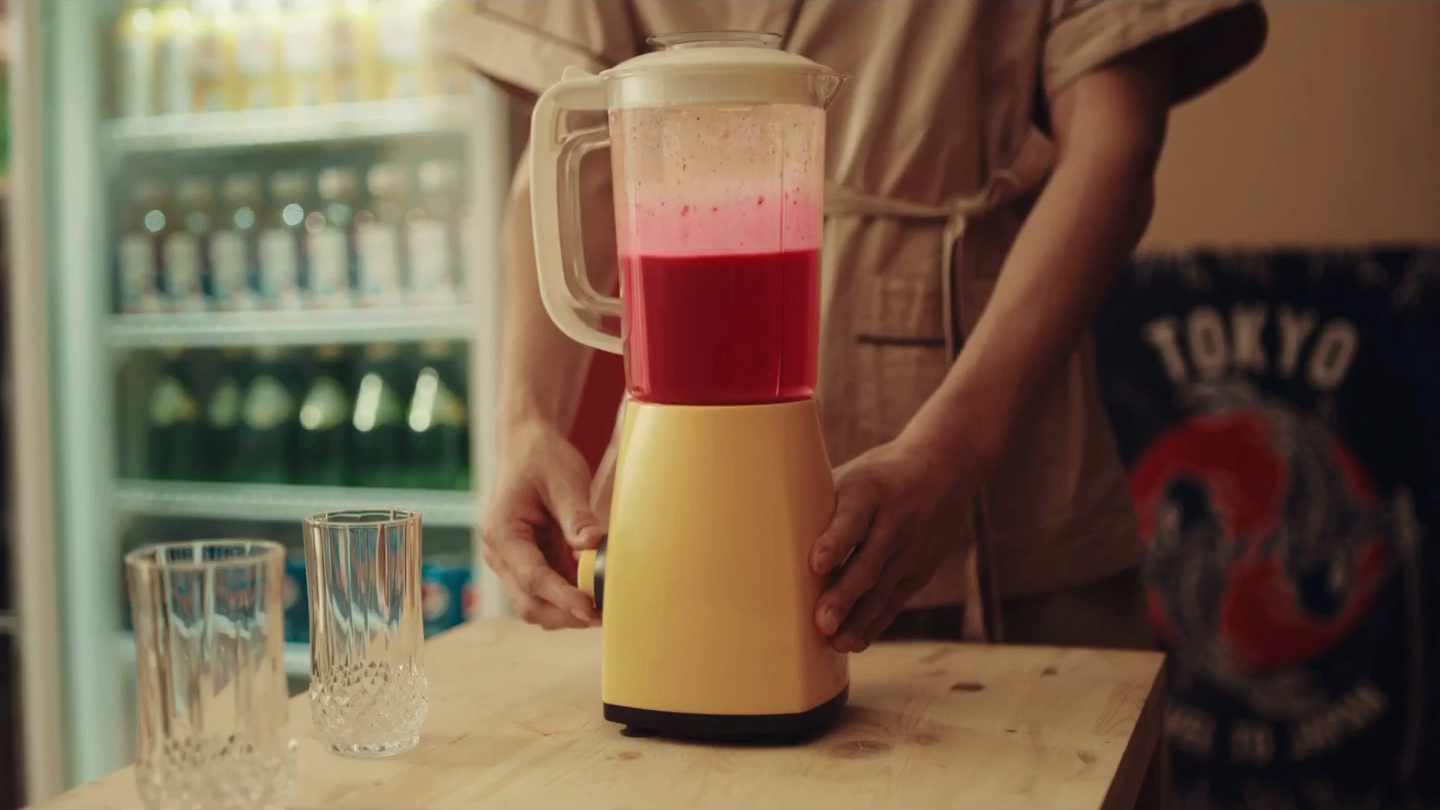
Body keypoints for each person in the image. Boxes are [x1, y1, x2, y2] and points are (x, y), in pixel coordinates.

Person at [443, 1, 1267, 651]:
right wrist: (524, 420)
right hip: (692, 494)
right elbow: (570, 140)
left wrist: (955, 451)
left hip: (1007, 470)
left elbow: (1115, 143)